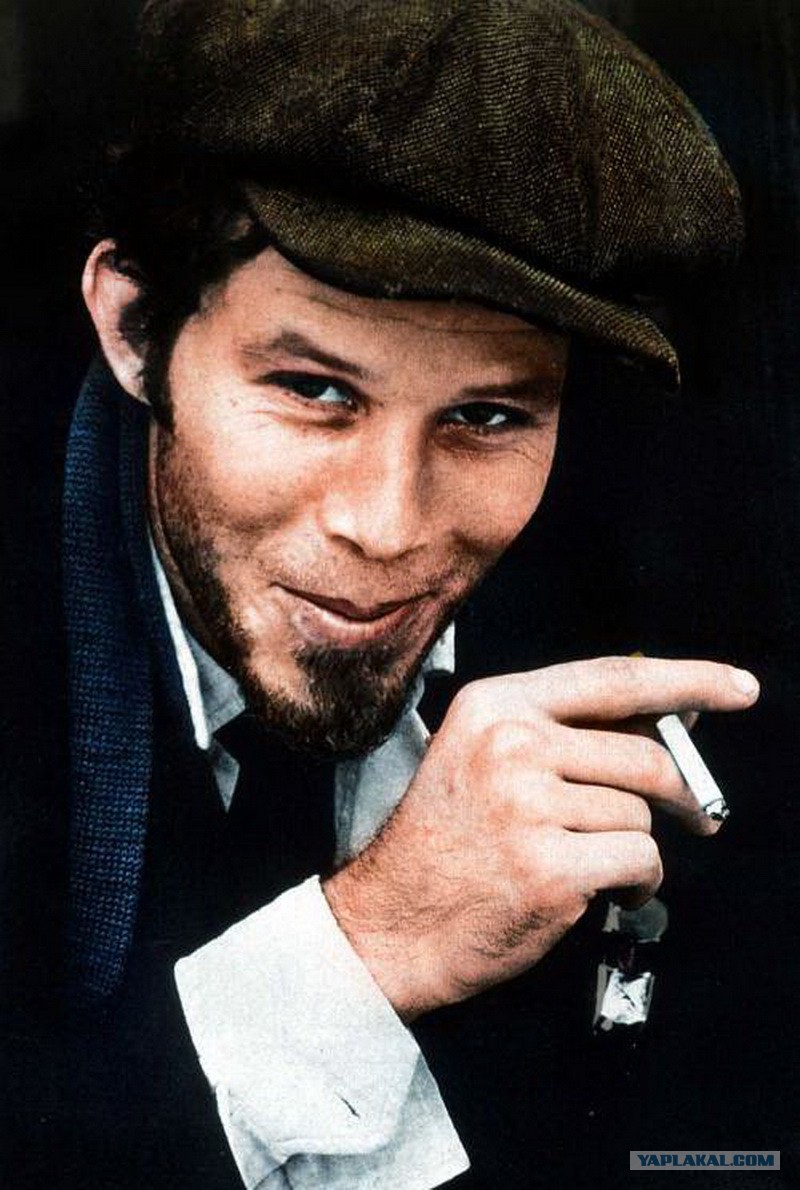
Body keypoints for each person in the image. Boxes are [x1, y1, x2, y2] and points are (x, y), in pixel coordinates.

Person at [2, 1, 775, 1188]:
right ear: (134, 328)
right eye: (315, 390)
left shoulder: (674, 598)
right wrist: (367, 945)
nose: (388, 526)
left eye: (486, 415)